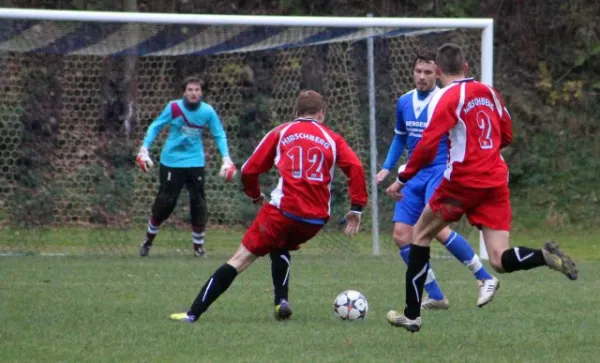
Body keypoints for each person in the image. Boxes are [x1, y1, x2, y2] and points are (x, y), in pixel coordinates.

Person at [385, 43, 578, 332]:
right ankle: (543, 257)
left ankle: (412, 316)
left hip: (462, 182)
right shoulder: (489, 92)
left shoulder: (447, 98)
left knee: (419, 235)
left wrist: (401, 179)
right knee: (500, 258)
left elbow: (426, 146)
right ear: (465, 68)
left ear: (437, 71)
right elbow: (507, 133)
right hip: (496, 181)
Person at [169, 90, 368, 323]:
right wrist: (356, 208)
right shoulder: (333, 138)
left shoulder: (282, 132)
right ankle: (281, 302)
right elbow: (356, 168)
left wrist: (255, 195)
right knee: (279, 244)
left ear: (296, 112)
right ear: (321, 114)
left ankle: (192, 314)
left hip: (283, 212)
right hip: (314, 220)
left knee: (239, 259)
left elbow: (250, 170)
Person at [376, 50, 497, 310]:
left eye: (428, 72)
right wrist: (387, 167)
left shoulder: (446, 99)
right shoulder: (404, 101)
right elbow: (400, 137)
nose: (422, 77)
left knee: (435, 229)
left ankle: (484, 276)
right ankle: (436, 295)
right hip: (413, 173)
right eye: (418, 72)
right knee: (401, 234)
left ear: (437, 73)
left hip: (440, 171)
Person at [135, 76, 236, 257]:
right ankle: (148, 241)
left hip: (195, 162)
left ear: (201, 92)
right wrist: (144, 148)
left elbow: (219, 133)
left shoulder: (207, 111)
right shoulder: (173, 107)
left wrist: (226, 158)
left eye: (197, 90)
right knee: (165, 202)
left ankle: (198, 247)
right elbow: (155, 126)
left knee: (198, 203)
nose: (194, 93)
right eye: (190, 89)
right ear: (184, 91)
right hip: (171, 161)